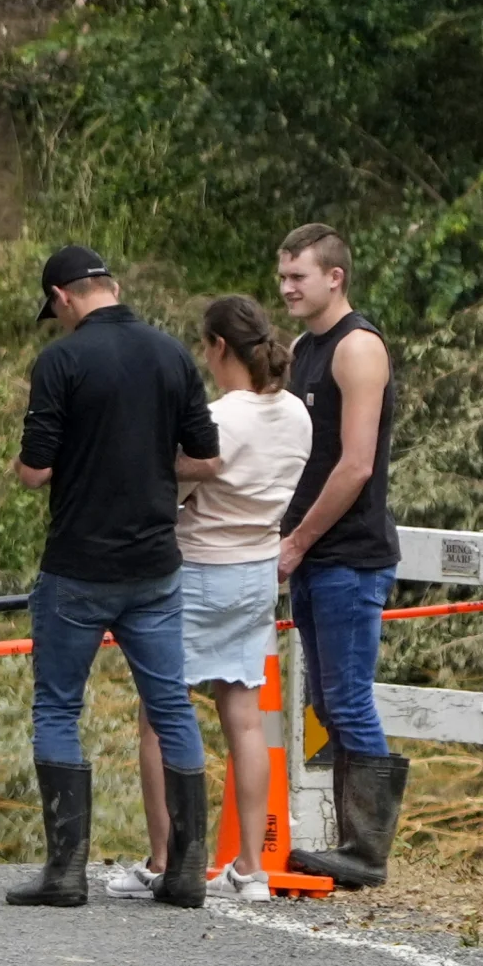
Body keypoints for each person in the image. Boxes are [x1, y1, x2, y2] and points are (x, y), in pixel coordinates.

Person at [7, 244, 220, 908]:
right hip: (155, 567)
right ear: (113, 286)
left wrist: (75, 461)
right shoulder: (172, 355)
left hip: (78, 567)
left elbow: (36, 470)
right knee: (171, 706)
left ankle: (65, 874)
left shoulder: (61, 361)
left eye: (56, 310)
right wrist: (149, 464)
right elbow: (206, 460)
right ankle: (186, 874)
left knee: (58, 705)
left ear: (62, 297)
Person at [144, 295, 311, 901]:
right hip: (258, 568)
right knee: (244, 717)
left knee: (159, 718)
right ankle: (251, 867)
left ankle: (164, 859)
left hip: (197, 570)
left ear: (218, 347)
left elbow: (173, 485)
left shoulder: (219, 419)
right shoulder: (296, 414)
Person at [273, 223, 406, 889]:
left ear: (335, 277)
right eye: (283, 277)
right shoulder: (302, 349)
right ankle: (352, 837)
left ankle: (367, 849)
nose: (287, 288)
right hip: (310, 552)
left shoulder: (358, 349)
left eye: (298, 276)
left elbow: (355, 465)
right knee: (324, 701)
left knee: (347, 701)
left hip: (350, 552)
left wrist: (296, 541)